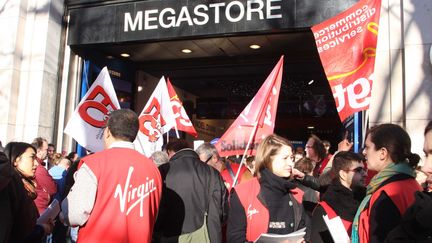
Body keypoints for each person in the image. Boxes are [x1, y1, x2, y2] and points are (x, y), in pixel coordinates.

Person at [60, 109, 162, 242]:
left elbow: (74, 214)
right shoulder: (153, 169)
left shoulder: (94, 163)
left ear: (107, 132)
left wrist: (62, 214)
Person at [227, 134, 309, 243]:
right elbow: (234, 239)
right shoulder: (243, 193)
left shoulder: (297, 194)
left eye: (292, 158)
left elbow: (304, 232)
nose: (291, 163)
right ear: (267, 159)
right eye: (285, 158)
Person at [351, 123, 422, 243]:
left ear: (383, 153)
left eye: (367, 147)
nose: (364, 152)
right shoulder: (414, 185)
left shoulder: (386, 195)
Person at [154, 139, 228, 243]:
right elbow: (223, 211)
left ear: (169, 152)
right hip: (207, 236)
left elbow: (155, 210)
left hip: (168, 237)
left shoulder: (162, 171)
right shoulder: (212, 173)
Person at [384, 121, 432, 242]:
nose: (426, 167)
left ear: (383, 152)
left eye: (368, 147)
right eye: (427, 155)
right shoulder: (420, 212)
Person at [1, 143, 54, 242]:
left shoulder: (23, 186)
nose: (36, 163)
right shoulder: (10, 187)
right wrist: (42, 229)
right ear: (16, 160)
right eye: (32, 157)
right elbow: (17, 233)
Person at [311, 152, 367, 243]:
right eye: (358, 170)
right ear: (343, 174)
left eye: (364, 170)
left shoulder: (368, 202)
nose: (365, 174)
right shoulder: (324, 210)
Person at [31, 137, 57, 214]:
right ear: (39, 151)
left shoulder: (40, 166)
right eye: (46, 150)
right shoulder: (39, 168)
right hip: (38, 209)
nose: (48, 152)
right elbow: (53, 188)